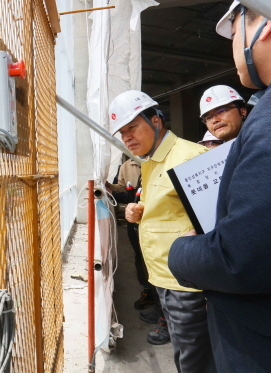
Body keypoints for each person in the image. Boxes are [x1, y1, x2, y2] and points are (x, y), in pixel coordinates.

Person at [169, 2, 271, 372]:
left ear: (264, 25)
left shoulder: (265, 125)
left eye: (233, 30)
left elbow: (239, 257)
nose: (214, 121)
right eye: (208, 117)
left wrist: (179, 251)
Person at [109, 90, 216, 371]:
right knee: (184, 352)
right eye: (122, 132)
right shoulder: (151, 162)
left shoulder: (190, 157)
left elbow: (217, 222)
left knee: (195, 359)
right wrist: (136, 211)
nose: (127, 137)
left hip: (188, 284)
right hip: (164, 278)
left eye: (132, 127)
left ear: (156, 121)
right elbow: (163, 207)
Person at [106, 159, 157, 310]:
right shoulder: (126, 166)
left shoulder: (160, 160)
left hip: (155, 219)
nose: (129, 140)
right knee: (140, 255)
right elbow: (121, 188)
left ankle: (162, 299)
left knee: (157, 256)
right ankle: (148, 291)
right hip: (134, 220)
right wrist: (109, 188)